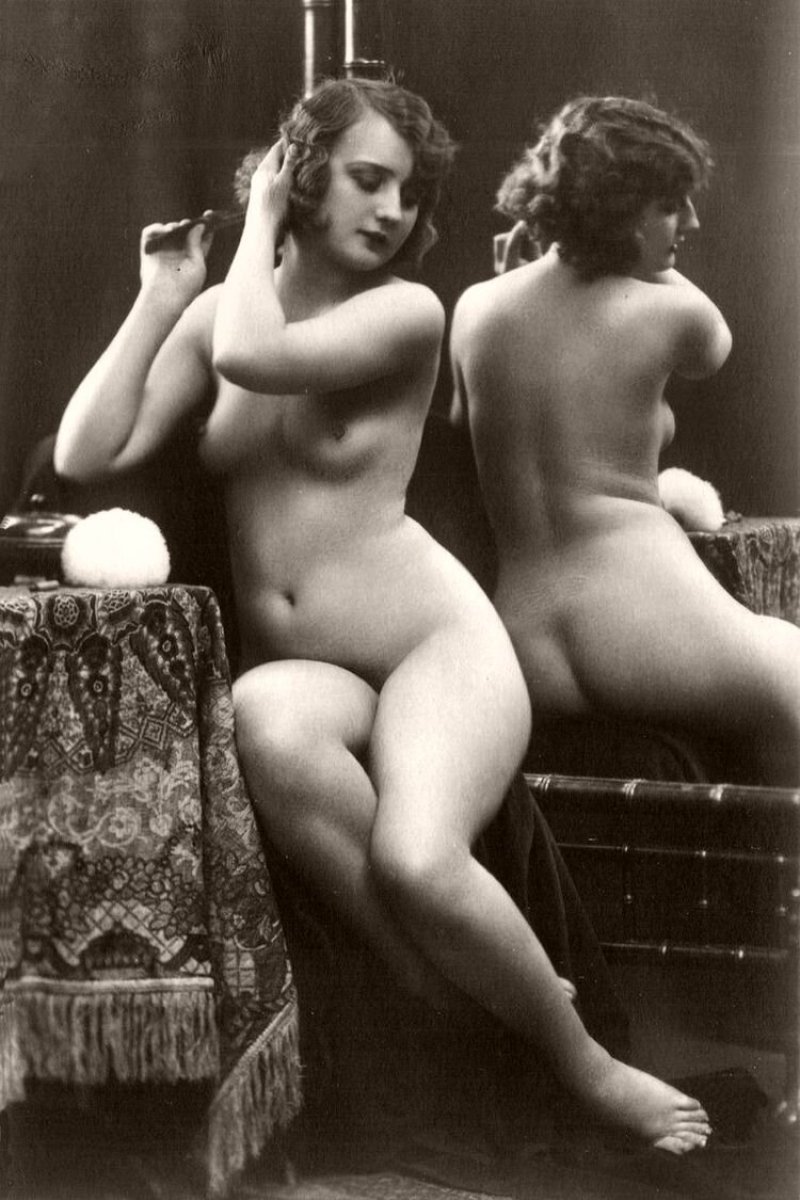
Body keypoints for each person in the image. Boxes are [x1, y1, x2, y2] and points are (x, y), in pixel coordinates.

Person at [54, 78, 711, 1154]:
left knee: (416, 858)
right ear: (305, 170)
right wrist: (162, 294)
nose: (394, 210)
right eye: (368, 179)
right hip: (311, 667)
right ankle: (455, 993)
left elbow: (255, 360)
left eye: (409, 192)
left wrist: (259, 222)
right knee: (261, 719)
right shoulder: (222, 312)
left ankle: (586, 1063)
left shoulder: (406, 315)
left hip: (433, 647)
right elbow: (90, 450)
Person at [450, 94, 800, 786]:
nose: (690, 221)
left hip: (522, 637)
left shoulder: (476, 308)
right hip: (632, 616)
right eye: (669, 205)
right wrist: (640, 259)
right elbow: (713, 346)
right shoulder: (672, 311)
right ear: (618, 209)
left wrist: (541, 262)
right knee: (793, 672)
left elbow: (466, 429)